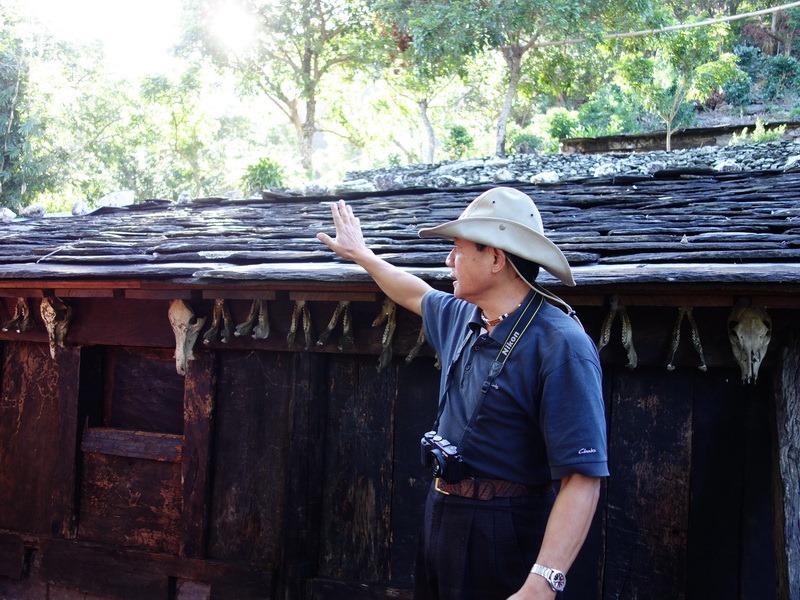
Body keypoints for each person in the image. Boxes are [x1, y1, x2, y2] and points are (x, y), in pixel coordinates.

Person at [316, 186, 609, 600]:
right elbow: (412, 291)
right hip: (443, 515)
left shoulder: (561, 344)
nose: (448, 261)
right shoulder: (464, 316)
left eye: (457, 249)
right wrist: (362, 254)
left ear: (495, 257)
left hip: (506, 529)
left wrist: (543, 583)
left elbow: (583, 478)